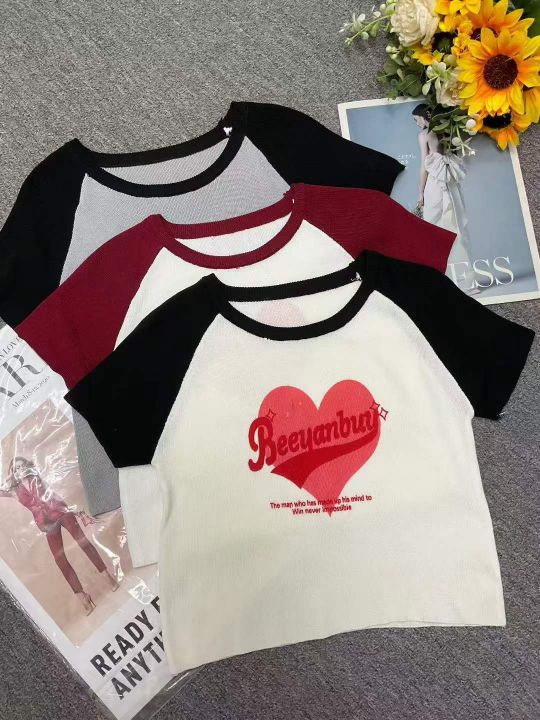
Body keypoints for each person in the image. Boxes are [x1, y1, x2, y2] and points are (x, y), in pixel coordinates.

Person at [0, 456, 118, 614]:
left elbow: (52, 486)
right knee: (59, 559)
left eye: (22, 466)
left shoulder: (36, 474)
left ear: (27, 466)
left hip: (61, 512)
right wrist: (10, 478)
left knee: (83, 542)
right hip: (47, 524)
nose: (20, 470)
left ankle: (107, 576)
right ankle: (82, 596)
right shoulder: (15, 491)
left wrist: (72, 509)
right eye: (16, 468)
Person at [412, 103, 478, 294]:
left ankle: (441, 280)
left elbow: (424, 166)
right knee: (456, 228)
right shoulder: (448, 130)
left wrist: (420, 193)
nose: (417, 124)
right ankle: (466, 281)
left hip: (435, 182)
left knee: (433, 229)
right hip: (450, 181)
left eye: (416, 119)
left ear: (424, 116)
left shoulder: (424, 135)